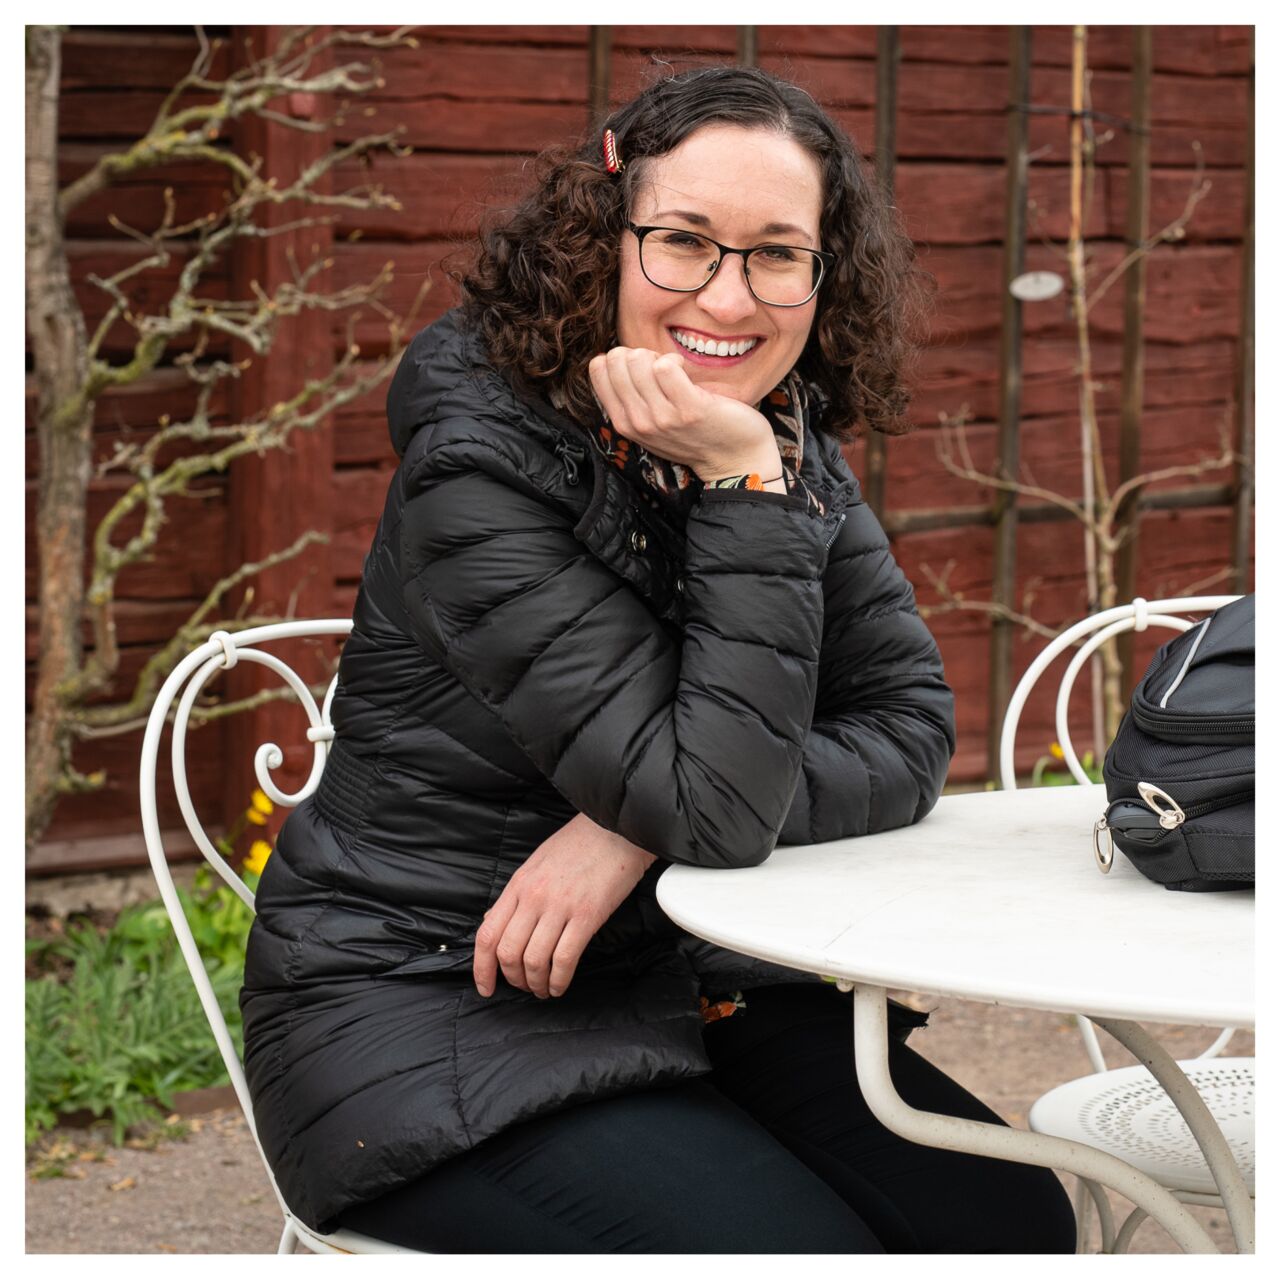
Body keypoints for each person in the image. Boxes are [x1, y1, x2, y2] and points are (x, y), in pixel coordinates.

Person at [240, 65, 1076, 1253]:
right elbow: (711, 802)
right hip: (434, 997)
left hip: (688, 969)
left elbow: (905, 727)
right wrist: (739, 491)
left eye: (775, 254)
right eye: (683, 241)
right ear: (603, 235)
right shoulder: (480, 464)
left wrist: (626, 832)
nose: (728, 297)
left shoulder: (775, 435)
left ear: (823, 271)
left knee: (1010, 1222)